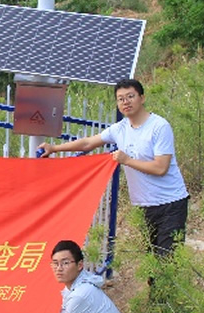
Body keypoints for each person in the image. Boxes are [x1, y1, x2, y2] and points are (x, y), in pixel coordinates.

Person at [39, 78, 189, 257]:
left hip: (170, 204)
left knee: (167, 259)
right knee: (151, 260)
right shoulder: (120, 129)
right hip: (143, 205)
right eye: (121, 99)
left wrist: (126, 160)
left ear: (142, 98)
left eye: (130, 96)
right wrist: (54, 148)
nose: (126, 102)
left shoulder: (159, 127)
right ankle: (154, 286)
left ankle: (165, 286)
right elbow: (88, 143)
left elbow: (160, 168)